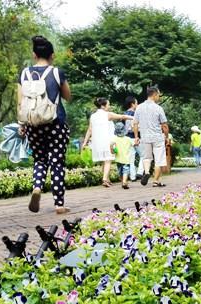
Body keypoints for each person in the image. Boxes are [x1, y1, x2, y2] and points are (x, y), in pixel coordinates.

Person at [17, 36, 72, 214]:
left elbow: (21, 102)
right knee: (56, 162)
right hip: (55, 123)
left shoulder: (25, 74)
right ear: (52, 55)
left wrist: (22, 124)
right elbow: (67, 96)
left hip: (33, 124)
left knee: (40, 160)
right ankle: (59, 204)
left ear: (34, 55)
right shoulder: (57, 73)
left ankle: (37, 187)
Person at [82, 98, 133, 187]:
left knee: (104, 161)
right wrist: (134, 117)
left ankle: (107, 179)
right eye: (108, 104)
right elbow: (123, 116)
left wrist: (85, 142)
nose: (109, 106)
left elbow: (90, 130)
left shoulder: (93, 116)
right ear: (103, 106)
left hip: (97, 142)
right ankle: (105, 179)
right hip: (108, 141)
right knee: (108, 160)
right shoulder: (107, 115)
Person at [132, 86, 169, 187]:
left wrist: (136, 137)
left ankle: (147, 172)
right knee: (159, 160)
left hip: (145, 137)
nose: (159, 97)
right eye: (158, 95)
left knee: (146, 158)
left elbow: (135, 123)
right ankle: (156, 181)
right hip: (157, 137)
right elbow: (164, 125)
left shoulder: (139, 107)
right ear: (154, 94)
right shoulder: (158, 108)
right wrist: (166, 136)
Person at [123, 96, 143, 182]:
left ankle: (133, 177)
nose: (137, 105)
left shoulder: (124, 114)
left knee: (131, 159)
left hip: (127, 138)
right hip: (135, 137)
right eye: (136, 103)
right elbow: (132, 127)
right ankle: (140, 172)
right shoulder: (134, 114)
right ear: (132, 104)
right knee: (144, 155)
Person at [111, 122, 133, 189]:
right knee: (125, 171)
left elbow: (111, 146)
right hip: (126, 159)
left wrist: (112, 150)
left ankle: (123, 182)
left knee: (120, 172)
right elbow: (135, 144)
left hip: (118, 159)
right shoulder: (128, 139)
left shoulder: (114, 139)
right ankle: (124, 182)